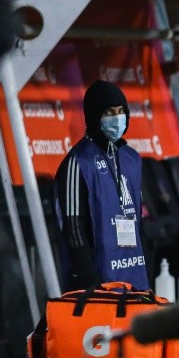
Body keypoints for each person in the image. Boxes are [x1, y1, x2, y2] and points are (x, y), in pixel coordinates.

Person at [54, 80, 148, 291]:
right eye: (108, 113)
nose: (116, 118)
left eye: (120, 111)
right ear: (94, 116)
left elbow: (139, 224)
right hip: (97, 284)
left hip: (135, 281)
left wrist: (146, 272)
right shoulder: (78, 162)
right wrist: (88, 277)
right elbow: (73, 226)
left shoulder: (132, 159)